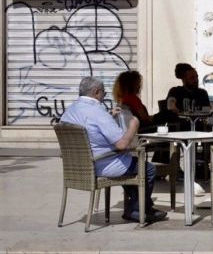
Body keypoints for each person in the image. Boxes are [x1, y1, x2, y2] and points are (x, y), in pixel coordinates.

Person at [60, 76, 167, 223]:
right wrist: (133, 125)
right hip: (103, 164)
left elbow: (89, 127)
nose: (104, 97)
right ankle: (136, 210)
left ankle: (141, 207)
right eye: (103, 93)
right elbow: (122, 144)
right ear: (96, 92)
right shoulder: (98, 113)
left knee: (131, 168)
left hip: (79, 166)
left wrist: (109, 116)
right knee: (148, 169)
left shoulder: (69, 111)